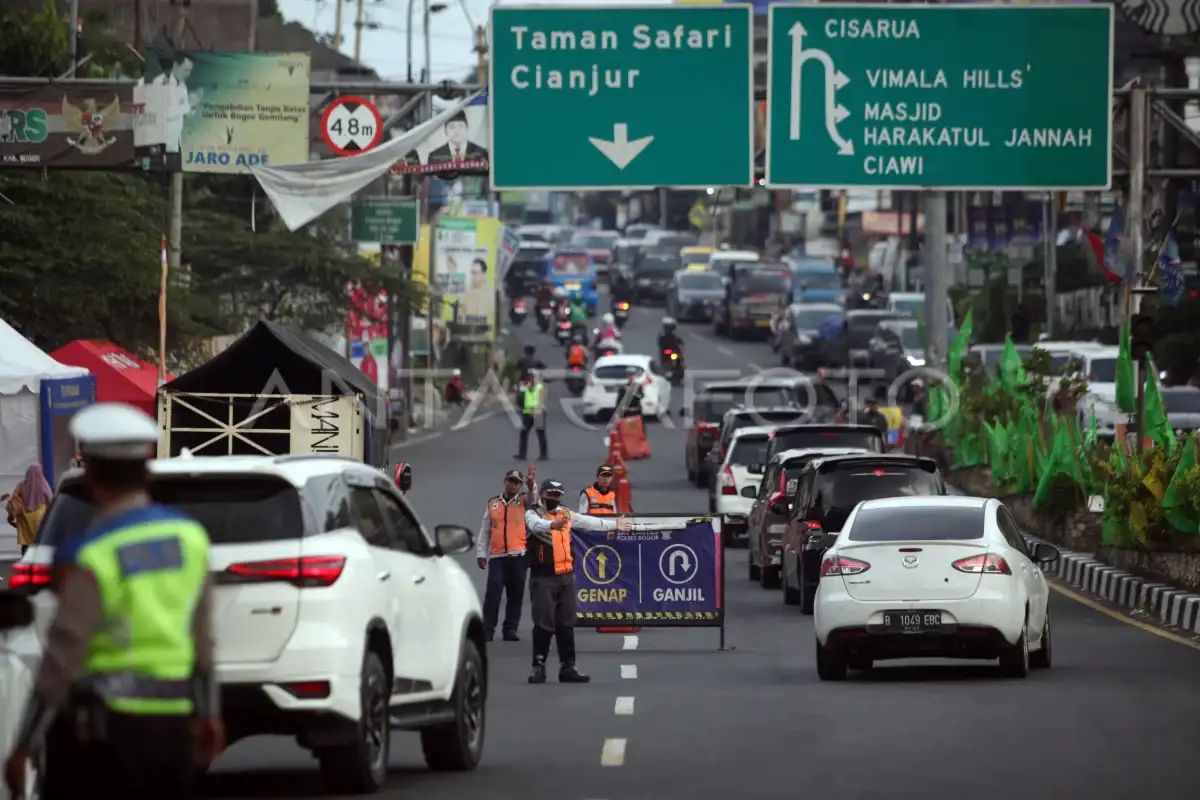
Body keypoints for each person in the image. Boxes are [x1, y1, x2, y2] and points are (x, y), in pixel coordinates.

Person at [3, 403, 223, 800]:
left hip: (103, 736)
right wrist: (209, 714)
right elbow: (203, 644)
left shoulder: (89, 554)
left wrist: (24, 743)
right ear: (148, 472)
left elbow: (64, 654)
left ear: (89, 479)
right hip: (173, 728)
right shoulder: (190, 539)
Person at [524, 479, 628, 683]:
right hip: (543, 578)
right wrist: (552, 524)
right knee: (543, 623)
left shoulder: (566, 513)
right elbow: (535, 527)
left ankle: (568, 667)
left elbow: (591, 522)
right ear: (543, 494)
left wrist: (616, 524)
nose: (554, 498)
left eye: (557, 495)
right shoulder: (532, 514)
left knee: (566, 623)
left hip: (566, 577)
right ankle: (539, 667)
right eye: (550, 494)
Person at [476, 469, 531, 642]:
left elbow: (534, 498)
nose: (513, 484)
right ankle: (487, 629)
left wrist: (531, 485)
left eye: (517, 482)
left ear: (520, 485)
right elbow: (485, 530)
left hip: (518, 556)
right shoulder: (493, 503)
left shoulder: (524, 501)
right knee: (493, 594)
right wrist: (481, 553)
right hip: (498, 557)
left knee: (516, 595)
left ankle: (510, 629)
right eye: (510, 480)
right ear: (504, 481)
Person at [6, 465, 52, 557]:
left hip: (24, 518)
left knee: (26, 543)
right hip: (40, 517)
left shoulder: (21, 485)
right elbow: (50, 501)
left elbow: (14, 501)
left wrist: (11, 516)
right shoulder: (44, 485)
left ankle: (26, 564)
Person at [515, 371, 548, 461]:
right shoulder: (524, 387)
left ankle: (544, 454)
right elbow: (519, 399)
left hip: (538, 413)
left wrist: (535, 410)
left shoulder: (539, 387)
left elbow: (541, 399)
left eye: (533, 378)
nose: (531, 380)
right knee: (524, 433)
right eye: (529, 378)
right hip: (527, 413)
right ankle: (522, 454)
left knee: (540, 434)